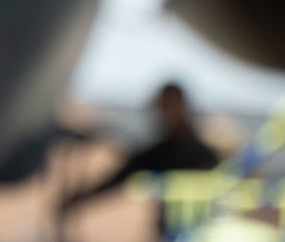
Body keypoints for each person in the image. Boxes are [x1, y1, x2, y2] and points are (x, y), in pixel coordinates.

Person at [61, 83, 221, 216]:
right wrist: (79, 199)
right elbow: (121, 176)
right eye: (163, 108)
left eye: (171, 107)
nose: (166, 115)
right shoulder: (160, 153)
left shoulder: (205, 156)